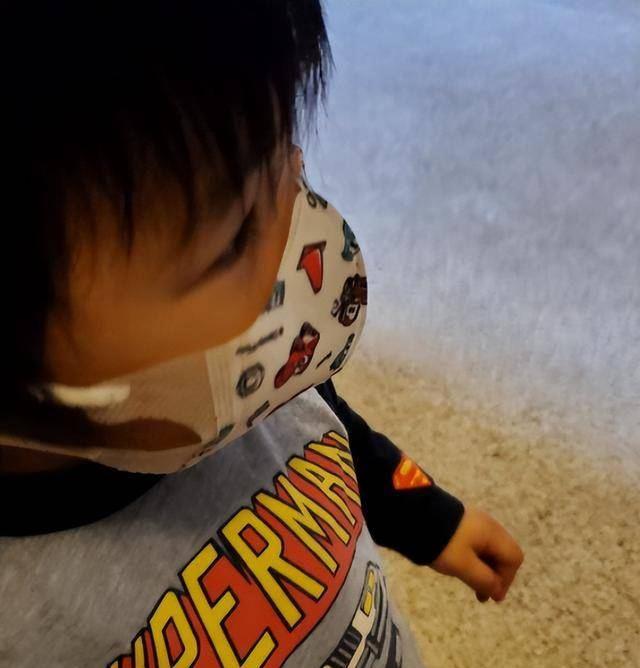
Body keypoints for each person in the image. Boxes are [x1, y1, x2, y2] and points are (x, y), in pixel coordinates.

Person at [0, 2, 524, 666]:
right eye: (236, 235)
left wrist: (428, 518)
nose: (302, 226)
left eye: (291, 168)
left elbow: (324, 424)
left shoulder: (242, 376)